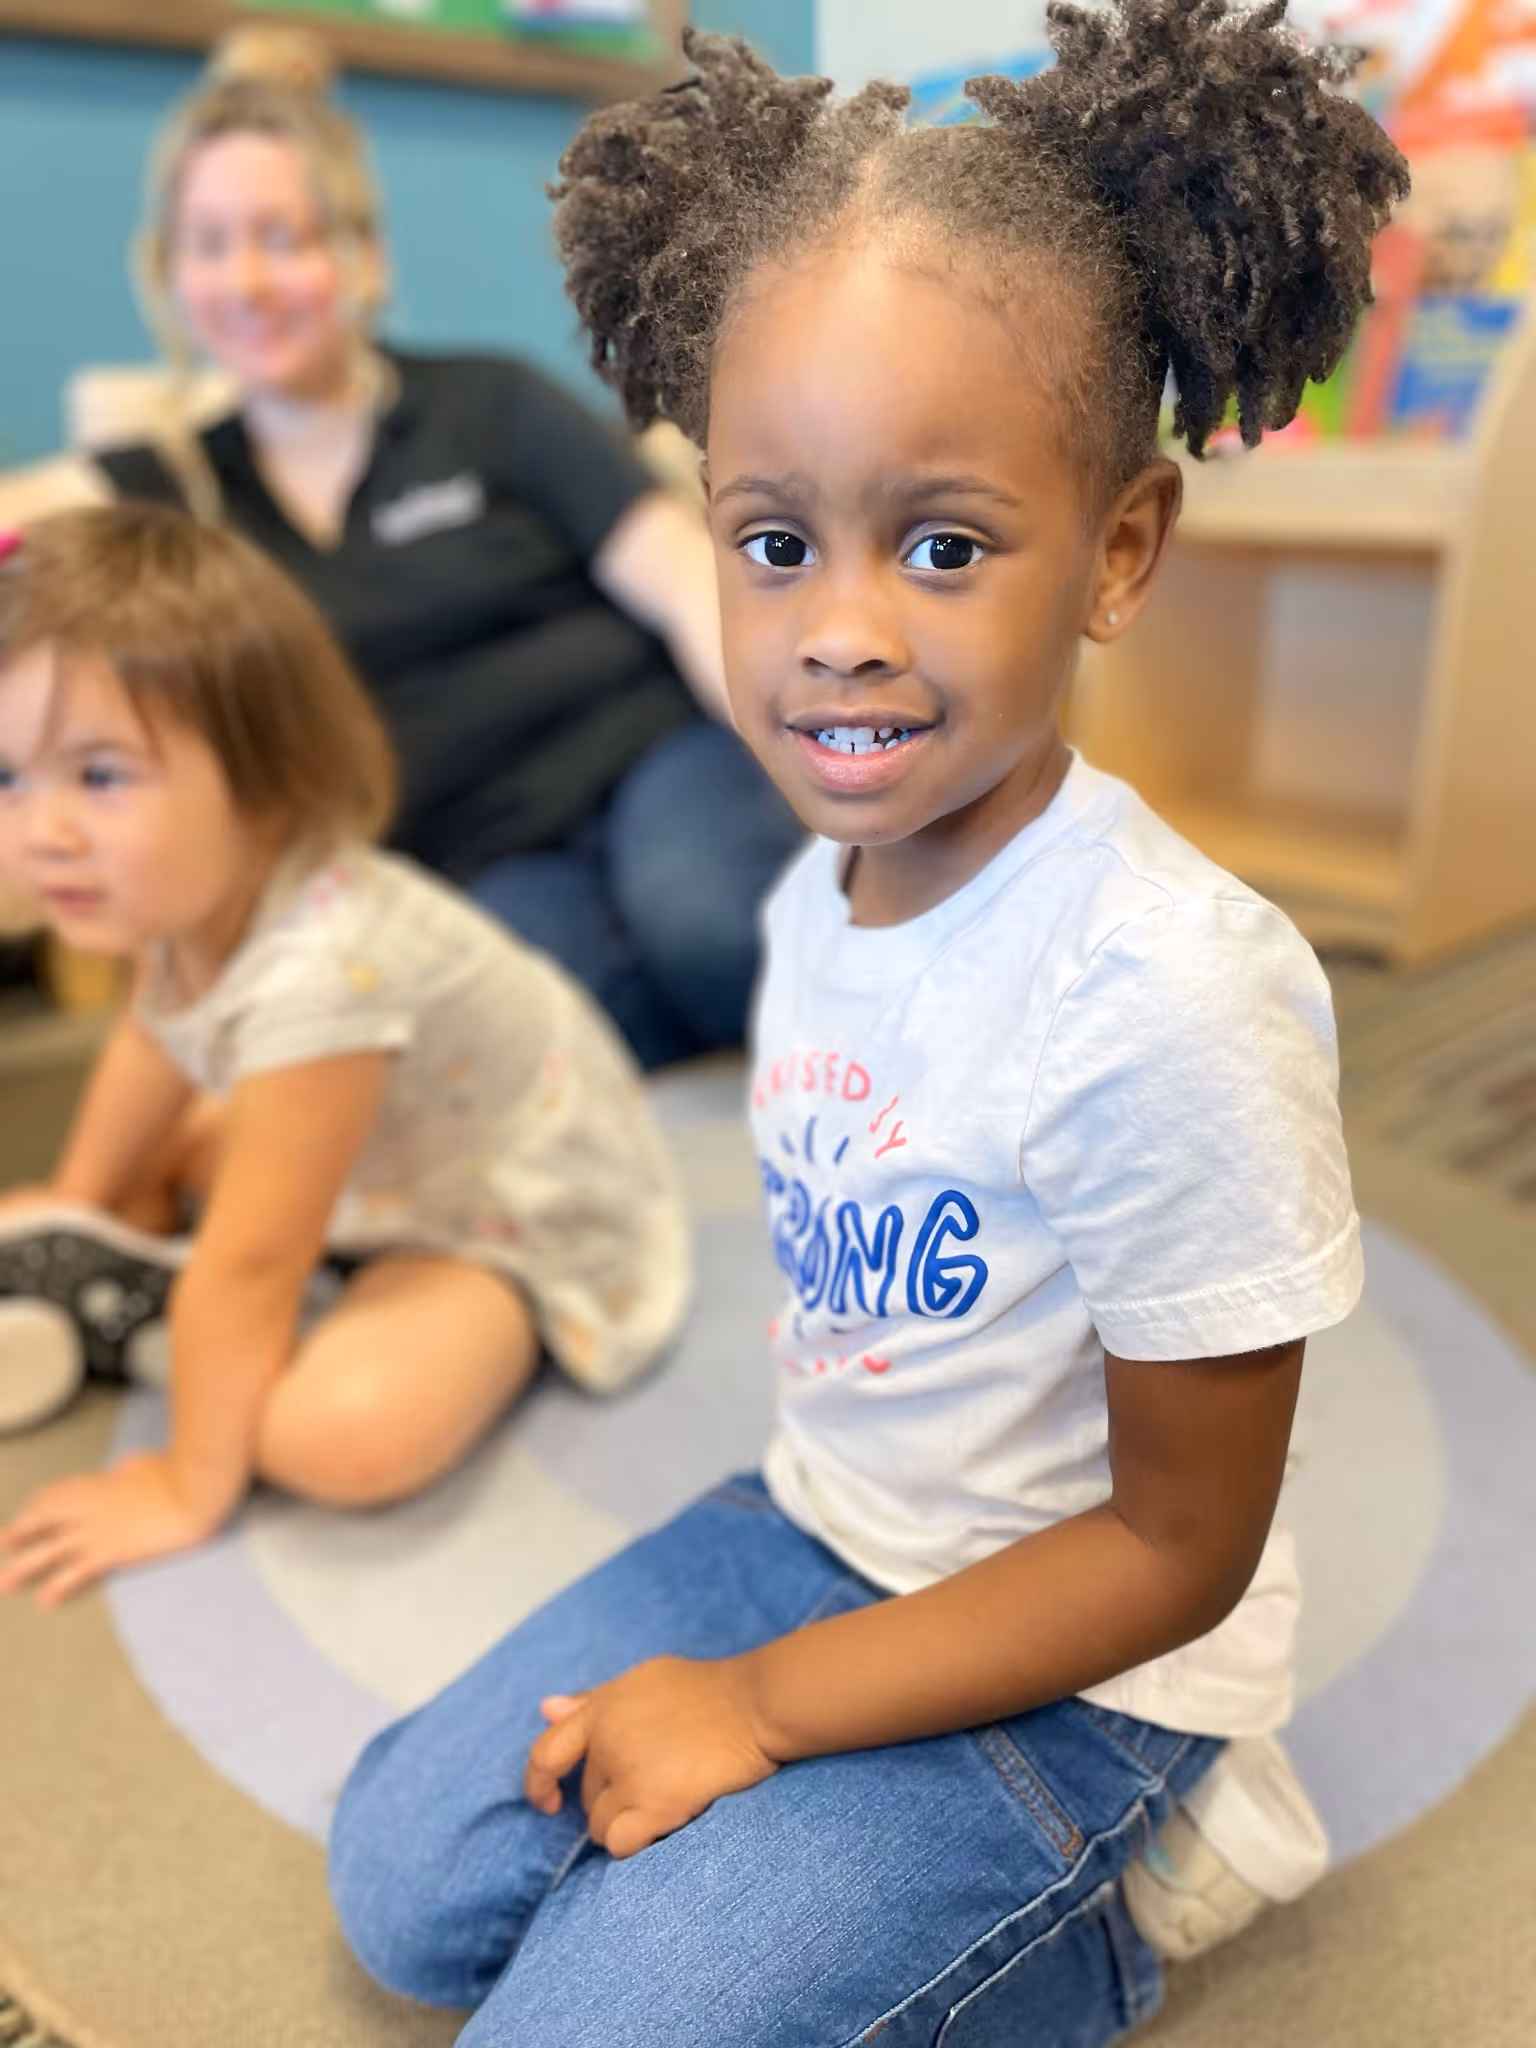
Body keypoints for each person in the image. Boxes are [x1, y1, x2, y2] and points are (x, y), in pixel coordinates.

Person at [325, 6, 1406, 2043]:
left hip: (1097, 1677)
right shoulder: (812, 882)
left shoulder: (1165, 989)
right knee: (406, 1879)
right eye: (772, 540)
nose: (837, 624)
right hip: (819, 1528)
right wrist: (761, 1666)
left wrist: (748, 1709)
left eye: (941, 543)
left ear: (1116, 550)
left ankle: (1120, 1902)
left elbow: (1182, 1542)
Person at [0, 30, 801, 1070]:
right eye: (209, 243)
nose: (245, 279)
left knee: (710, 929)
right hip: (469, 852)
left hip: (647, 764)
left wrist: (808, 762)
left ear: (360, 256)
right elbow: (25, 514)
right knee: (538, 1035)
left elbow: (690, 588)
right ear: (170, 272)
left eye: (282, 237)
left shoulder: (489, 402)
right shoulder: (175, 487)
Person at [0, 504, 690, 1605]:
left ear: (264, 783)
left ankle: (188, 1301)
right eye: (9, 779)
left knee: (336, 1435)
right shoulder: (179, 893)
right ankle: (129, 1258)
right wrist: (82, 1204)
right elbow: (151, 1040)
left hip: (497, 1205)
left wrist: (186, 1481)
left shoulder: (323, 965)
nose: (42, 831)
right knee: (173, 1166)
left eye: (98, 776)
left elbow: (255, 1263)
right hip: (381, 1139)